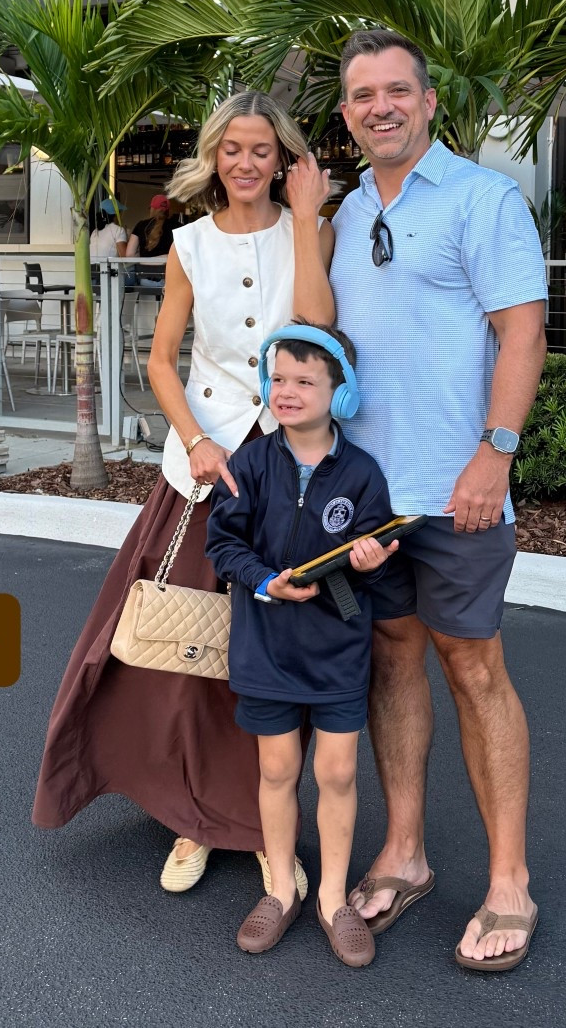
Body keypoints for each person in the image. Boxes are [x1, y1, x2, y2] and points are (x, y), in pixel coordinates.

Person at [31, 92, 335, 898]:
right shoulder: (190, 244)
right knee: (188, 657)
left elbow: (316, 332)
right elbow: (163, 360)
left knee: (271, 660)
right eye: (231, 148)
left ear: (282, 159)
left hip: (288, 471)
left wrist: (306, 219)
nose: (245, 162)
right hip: (201, 475)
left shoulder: (310, 231)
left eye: (261, 150)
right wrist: (197, 442)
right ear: (214, 155)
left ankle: (270, 834)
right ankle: (192, 819)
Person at [294, 28, 548, 972]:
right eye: (361, 96)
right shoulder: (350, 211)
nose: (379, 107)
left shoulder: (482, 200)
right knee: (392, 660)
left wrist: (496, 453)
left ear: (429, 101)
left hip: (459, 490)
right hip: (368, 495)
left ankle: (509, 880)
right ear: (349, 114)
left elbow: (523, 336)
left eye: (395, 90)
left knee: (474, 667)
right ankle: (405, 853)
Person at [206, 323, 397, 966]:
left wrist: (371, 562)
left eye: (305, 382)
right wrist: (263, 579)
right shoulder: (251, 462)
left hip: (338, 650)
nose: (287, 392)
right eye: (278, 379)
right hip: (265, 646)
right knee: (276, 770)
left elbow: (386, 562)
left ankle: (335, 900)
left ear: (339, 394)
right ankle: (282, 890)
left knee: (337, 772)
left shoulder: (363, 473)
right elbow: (222, 544)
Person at [126, 194, 176, 261]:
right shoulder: (178, 226)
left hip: (144, 269)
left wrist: (143, 258)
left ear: (152, 209)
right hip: (168, 269)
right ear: (168, 211)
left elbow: (129, 254)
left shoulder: (141, 225)